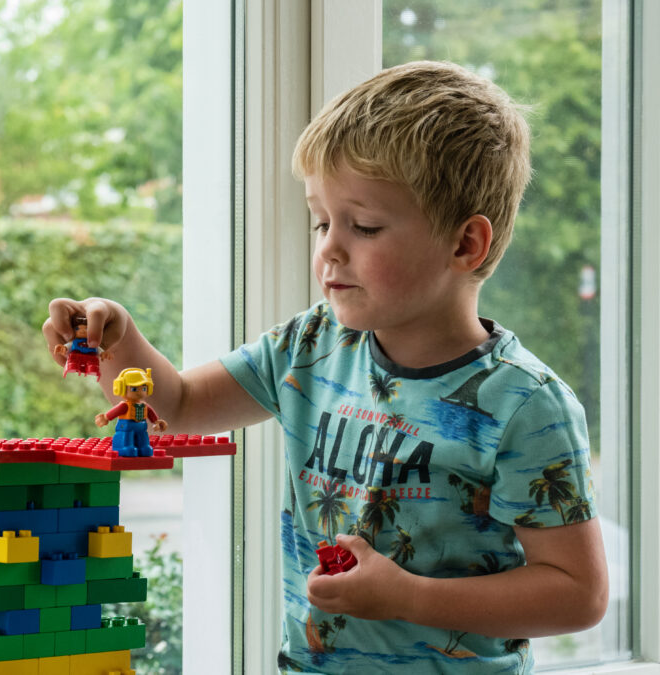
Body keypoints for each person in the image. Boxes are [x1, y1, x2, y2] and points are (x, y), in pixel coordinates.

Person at [43, 61, 608, 673]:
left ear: (465, 244)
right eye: (321, 220)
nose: (328, 248)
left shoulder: (524, 404)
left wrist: (408, 597)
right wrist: (116, 337)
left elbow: (578, 594)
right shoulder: (311, 344)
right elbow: (177, 404)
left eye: (363, 225)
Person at [95, 367, 168, 457]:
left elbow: (151, 414)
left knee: (143, 436)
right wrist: (106, 418)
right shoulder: (125, 406)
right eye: (134, 389)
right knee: (127, 436)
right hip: (126, 426)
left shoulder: (144, 406)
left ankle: (144, 447)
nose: (140, 392)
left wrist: (157, 421)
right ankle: (126, 447)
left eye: (144, 388)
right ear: (121, 388)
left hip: (141, 427)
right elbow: (115, 411)